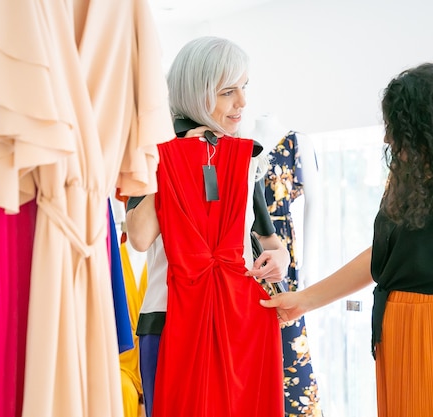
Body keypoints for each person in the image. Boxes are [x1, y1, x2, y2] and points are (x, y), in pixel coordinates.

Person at [262, 61, 433, 417]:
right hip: (398, 342)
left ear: (431, 128)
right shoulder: (408, 183)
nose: (388, 139)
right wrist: (305, 300)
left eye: (397, 129)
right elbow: (383, 256)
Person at [125, 36, 290, 417]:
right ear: (197, 93)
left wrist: (278, 258)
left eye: (244, 87)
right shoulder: (154, 150)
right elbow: (139, 236)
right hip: (169, 319)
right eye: (228, 91)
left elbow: (269, 240)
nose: (242, 103)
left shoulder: (242, 159)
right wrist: (173, 154)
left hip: (238, 318)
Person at [250, 114, 323, 416]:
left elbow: (316, 203)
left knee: (289, 336)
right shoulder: (240, 141)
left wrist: (308, 264)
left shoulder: (297, 142)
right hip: (246, 247)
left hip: (282, 251)